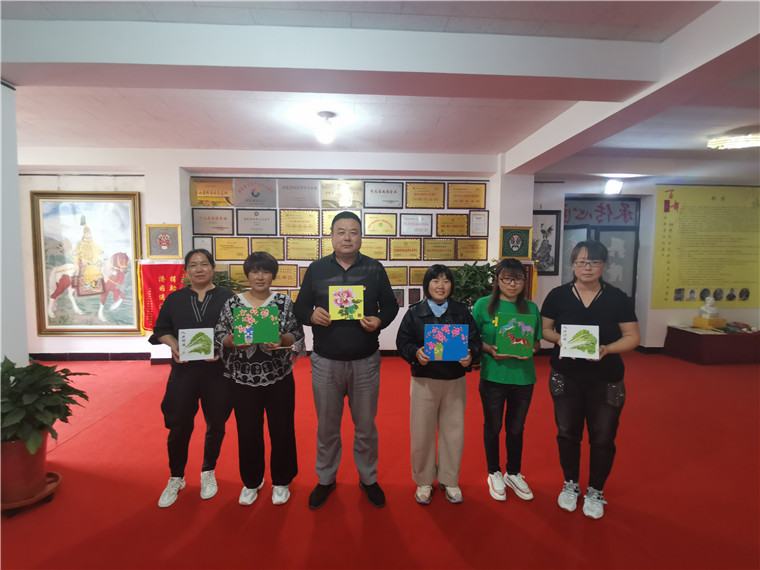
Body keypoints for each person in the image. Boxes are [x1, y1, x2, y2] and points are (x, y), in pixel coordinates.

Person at [294, 211, 399, 509]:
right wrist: (311, 315)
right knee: (327, 427)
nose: (347, 237)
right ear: (331, 236)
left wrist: (379, 320)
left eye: (353, 232)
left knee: (365, 426)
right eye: (341, 232)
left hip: (365, 361)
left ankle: (368, 478)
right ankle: (326, 479)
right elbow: (300, 308)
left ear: (361, 236)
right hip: (326, 361)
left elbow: (390, 306)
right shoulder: (317, 269)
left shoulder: (374, 269)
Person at [541, 240, 639, 520]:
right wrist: (561, 340)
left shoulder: (617, 298)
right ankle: (570, 483)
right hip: (566, 376)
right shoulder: (558, 296)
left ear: (603, 265)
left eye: (594, 262)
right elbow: (545, 329)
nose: (587, 267)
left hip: (606, 379)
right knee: (567, 432)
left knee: (603, 436)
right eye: (582, 262)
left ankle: (596, 490)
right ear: (573, 265)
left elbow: (632, 337)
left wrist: (607, 349)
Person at [215, 252, 305, 506]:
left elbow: (296, 334)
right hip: (243, 380)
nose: (260, 276)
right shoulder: (233, 303)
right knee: (248, 432)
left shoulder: (283, 302)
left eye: (265, 271)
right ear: (248, 275)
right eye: (255, 271)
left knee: (282, 429)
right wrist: (233, 341)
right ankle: (252, 481)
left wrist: (282, 339)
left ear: (272, 275)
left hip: (279, 378)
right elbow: (220, 333)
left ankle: (281, 481)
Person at [149, 249, 234, 508]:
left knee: (216, 423)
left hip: (218, 373)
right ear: (186, 271)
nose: (199, 269)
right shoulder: (175, 299)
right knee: (179, 425)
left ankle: (208, 471)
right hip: (183, 372)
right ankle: (176, 476)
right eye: (193, 265)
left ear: (213, 268)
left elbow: (239, 331)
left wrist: (222, 348)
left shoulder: (228, 298)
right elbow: (161, 330)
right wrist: (174, 345)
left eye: (204, 264)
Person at [395, 264, 481, 505]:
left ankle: (449, 479)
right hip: (424, 381)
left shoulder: (461, 312)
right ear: (427, 285)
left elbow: (475, 341)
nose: (441, 286)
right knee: (421, 432)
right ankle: (423, 480)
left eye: (445, 280)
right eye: (435, 280)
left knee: (453, 432)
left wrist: (470, 355)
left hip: (454, 381)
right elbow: (403, 342)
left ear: (451, 285)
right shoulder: (415, 312)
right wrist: (416, 353)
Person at [472, 258, 542, 503]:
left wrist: (530, 349)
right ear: (498, 280)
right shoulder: (483, 305)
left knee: (516, 428)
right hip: (493, 376)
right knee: (493, 426)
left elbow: (536, 342)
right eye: (507, 279)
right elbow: (472, 338)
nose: (512, 284)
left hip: (523, 377)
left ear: (524, 281)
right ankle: (494, 472)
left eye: (518, 279)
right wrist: (489, 349)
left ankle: (513, 472)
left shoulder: (531, 308)